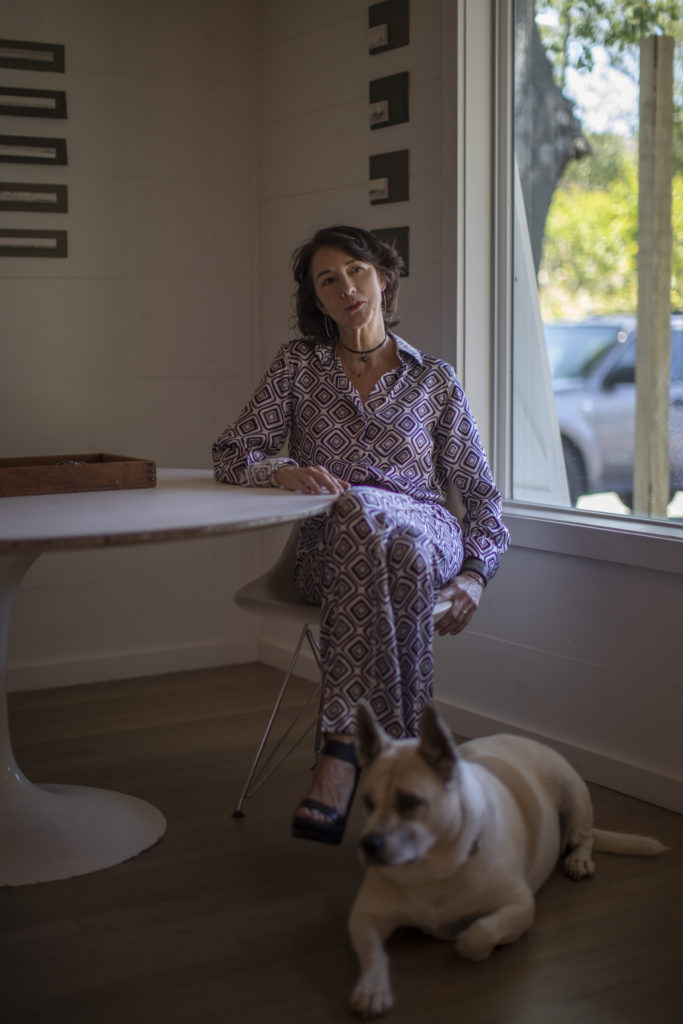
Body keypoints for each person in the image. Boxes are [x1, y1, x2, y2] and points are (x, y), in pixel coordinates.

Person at [212, 225, 509, 845]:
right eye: (328, 280)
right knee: (365, 521)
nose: (346, 287)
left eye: (356, 270)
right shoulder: (298, 366)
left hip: (427, 527)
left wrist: (476, 576)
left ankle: (342, 747)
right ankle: (411, 764)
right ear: (317, 301)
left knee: (367, 510)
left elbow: (482, 497)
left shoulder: (435, 379)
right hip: (334, 551)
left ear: (383, 278)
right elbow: (232, 452)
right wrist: (283, 471)